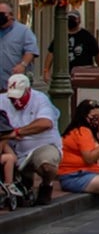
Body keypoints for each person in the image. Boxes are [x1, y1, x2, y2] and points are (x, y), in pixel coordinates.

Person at [0, 74, 60, 205]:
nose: (15, 101)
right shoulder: (2, 100)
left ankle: (46, 185)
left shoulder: (40, 99)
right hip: (13, 146)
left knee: (47, 166)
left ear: (28, 90)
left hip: (40, 145)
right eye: (12, 98)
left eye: (19, 96)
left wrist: (18, 132)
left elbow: (45, 123)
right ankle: (21, 183)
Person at [43, 9, 99, 84]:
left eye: (74, 18)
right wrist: (46, 71)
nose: (71, 20)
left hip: (83, 74)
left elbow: (97, 55)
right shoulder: (61, 35)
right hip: (64, 74)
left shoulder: (87, 36)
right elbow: (51, 53)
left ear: (79, 20)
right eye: (69, 18)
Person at [0, 2, 39, 88]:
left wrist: (23, 65)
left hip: (14, 84)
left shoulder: (24, 31)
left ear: (11, 15)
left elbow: (31, 51)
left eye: (1, 14)